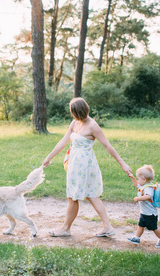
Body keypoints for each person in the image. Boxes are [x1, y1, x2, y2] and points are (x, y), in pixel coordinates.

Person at [42, 97, 133, 237]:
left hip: (84, 166)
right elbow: (64, 141)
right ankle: (107, 227)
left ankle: (66, 228)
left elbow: (108, 146)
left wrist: (122, 163)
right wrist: (49, 157)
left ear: (77, 111)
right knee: (90, 195)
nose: (71, 114)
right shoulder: (74, 123)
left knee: (76, 196)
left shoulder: (92, 126)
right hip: (75, 162)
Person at [127, 164, 160, 248]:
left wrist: (138, 198)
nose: (137, 181)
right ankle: (136, 238)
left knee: (154, 228)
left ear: (144, 179)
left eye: (138, 179)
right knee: (140, 225)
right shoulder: (143, 185)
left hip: (150, 214)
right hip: (144, 213)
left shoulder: (148, 188)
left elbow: (148, 196)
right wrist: (132, 177)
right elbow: (136, 185)